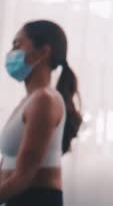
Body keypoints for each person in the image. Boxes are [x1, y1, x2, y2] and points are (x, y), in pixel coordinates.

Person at [0, 20, 83, 206]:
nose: (11, 53)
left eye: (17, 45)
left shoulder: (44, 100)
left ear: (43, 52)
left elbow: (24, 175)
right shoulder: (28, 101)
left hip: (35, 199)